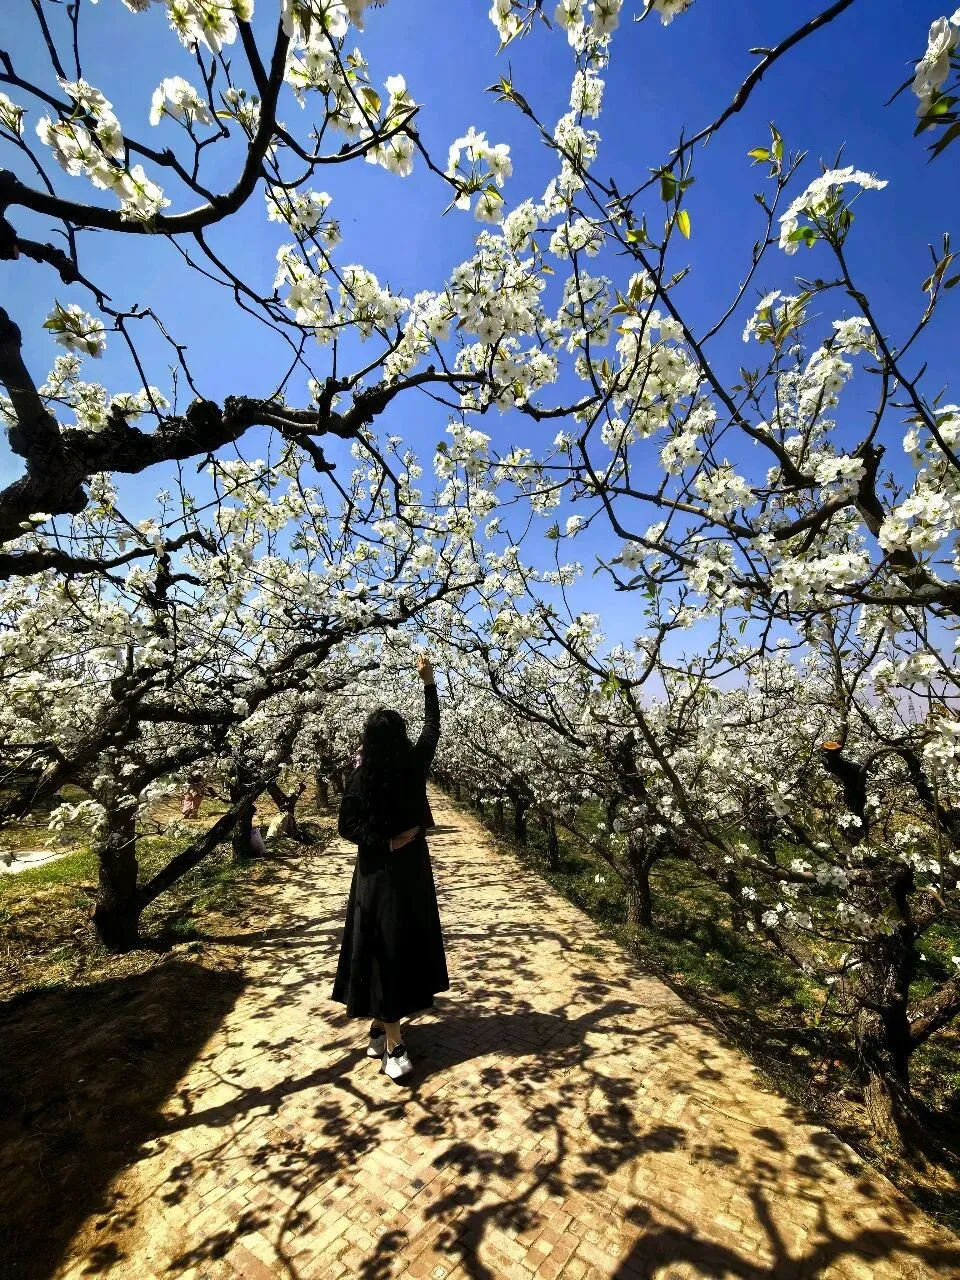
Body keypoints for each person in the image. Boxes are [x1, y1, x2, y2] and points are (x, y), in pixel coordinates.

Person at [332, 654, 449, 1079]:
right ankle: (394, 1047)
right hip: (397, 870)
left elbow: (346, 827)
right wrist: (429, 682)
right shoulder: (400, 769)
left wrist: (381, 843)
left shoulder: (367, 775)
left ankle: (380, 1029)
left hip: (382, 873)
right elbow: (432, 728)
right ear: (400, 737)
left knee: (390, 946)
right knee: (389, 949)